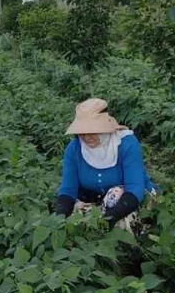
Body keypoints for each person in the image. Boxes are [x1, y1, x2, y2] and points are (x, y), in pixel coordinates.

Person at [54, 98, 158, 231]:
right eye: (82, 132)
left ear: (105, 129)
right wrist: (59, 217)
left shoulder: (126, 145)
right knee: (73, 217)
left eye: (92, 131)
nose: (86, 137)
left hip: (130, 199)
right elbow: (68, 189)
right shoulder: (74, 149)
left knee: (115, 196)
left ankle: (129, 242)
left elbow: (135, 188)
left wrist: (111, 217)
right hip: (96, 198)